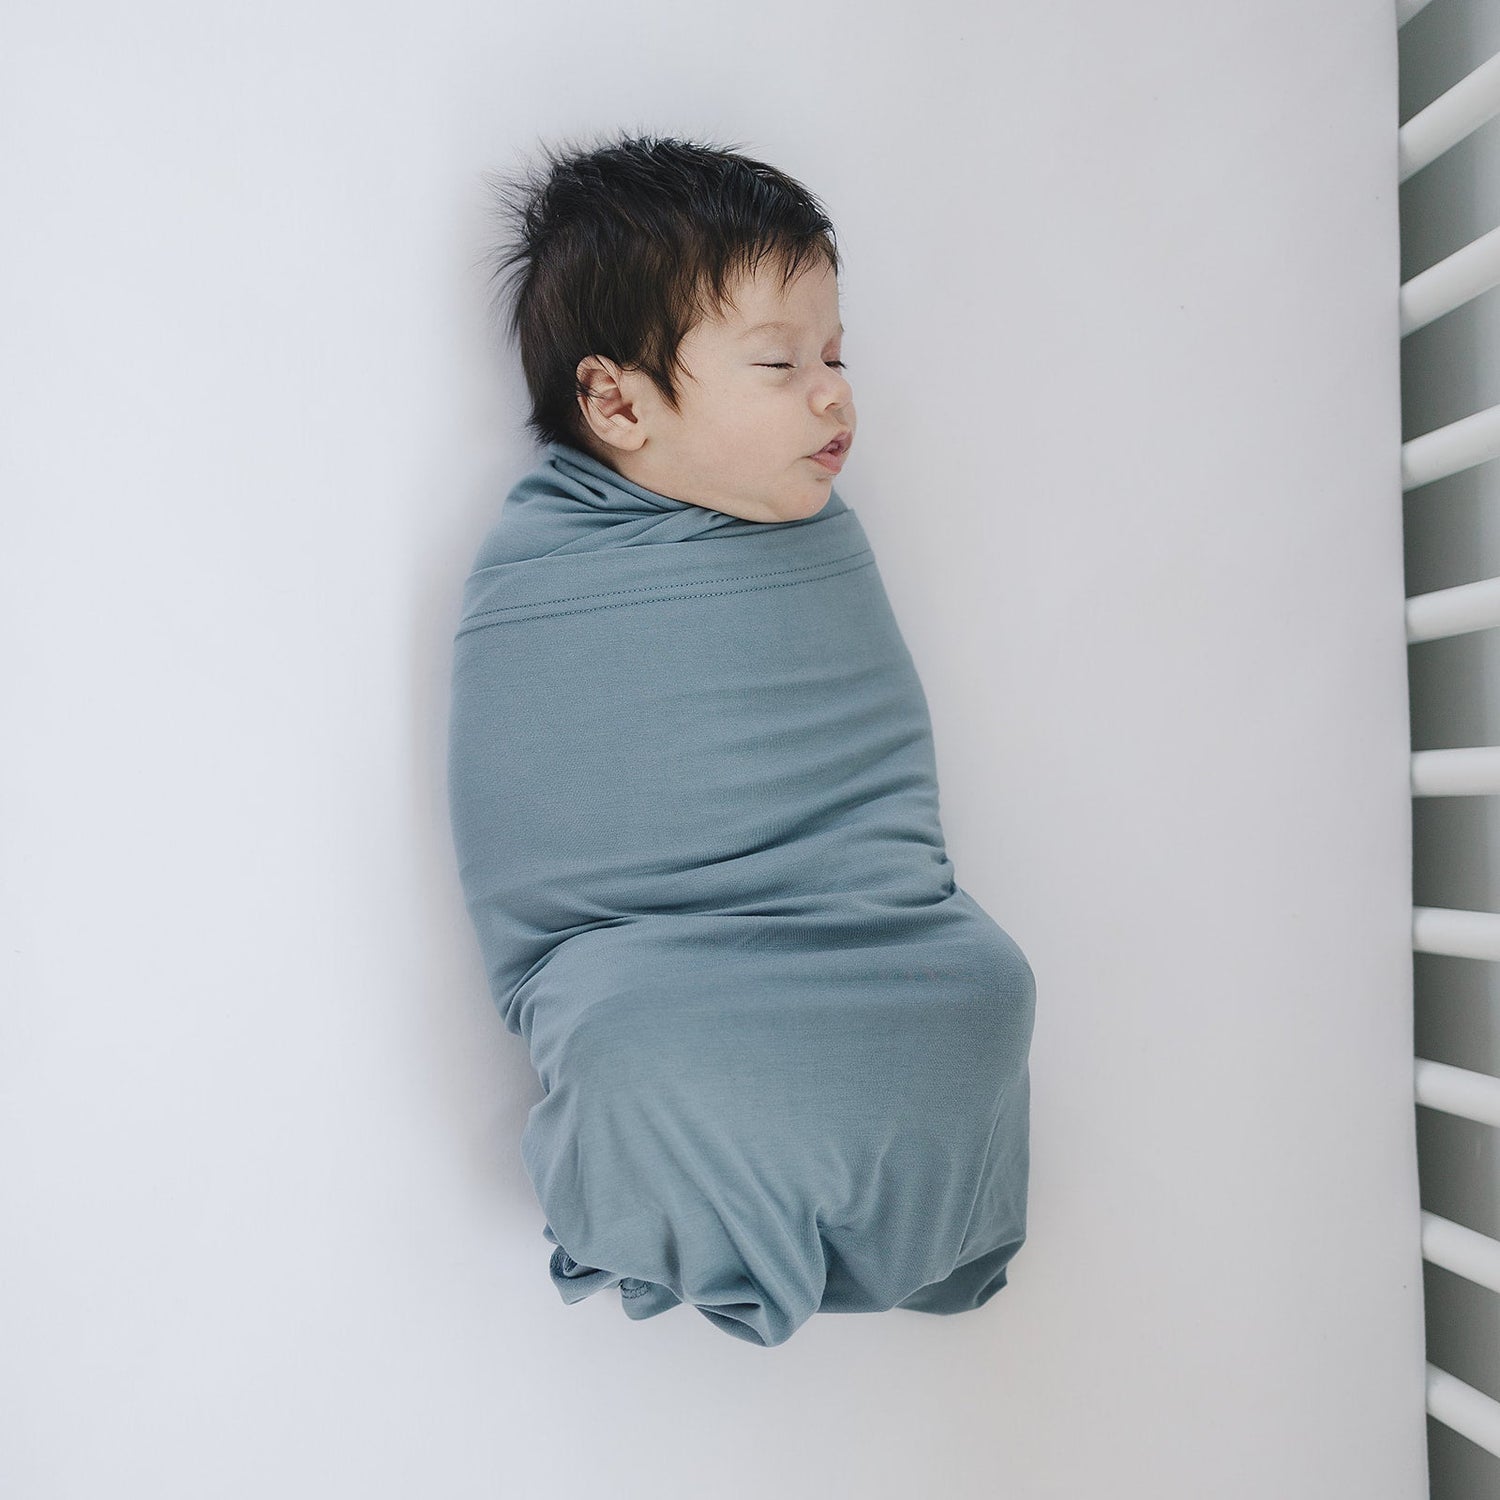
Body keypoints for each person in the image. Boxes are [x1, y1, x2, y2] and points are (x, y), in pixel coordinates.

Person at [448, 131, 1036, 1347]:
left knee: (987, 984)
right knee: (628, 1042)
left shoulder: (819, 543)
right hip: (655, 955)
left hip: (869, 926)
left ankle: (925, 1219)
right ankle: (681, 1217)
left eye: (835, 355)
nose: (834, 394)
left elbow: (875, 794)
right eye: (780, 362)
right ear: (618, 402)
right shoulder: (546, 574)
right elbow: (541, 857)